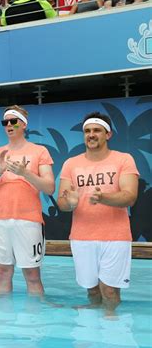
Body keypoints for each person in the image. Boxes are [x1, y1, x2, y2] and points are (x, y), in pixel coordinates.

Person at [57, 112, 139, 316]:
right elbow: (62, 202)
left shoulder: (124, 159)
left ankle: (112, 329)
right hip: (82, 237)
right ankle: (92, 332)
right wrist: (70, 203)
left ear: (108, 134)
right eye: (87, 131)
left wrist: (103, 198)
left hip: (115, 236)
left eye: (96, 130)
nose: (91, 135)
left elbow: (130, 197)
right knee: (92, 290)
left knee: (109, 291)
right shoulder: (71, 164)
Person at [0, 105, 55, 295]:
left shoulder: (40, 151)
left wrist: (24, 173)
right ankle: (3, 322)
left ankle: (36, 320)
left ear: (24, 125)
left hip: (28, 221)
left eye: (14, 121)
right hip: (0, 220)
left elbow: (49, 187)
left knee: (32, 275)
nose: (9, 125)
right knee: (3, 272)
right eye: (6, 122)